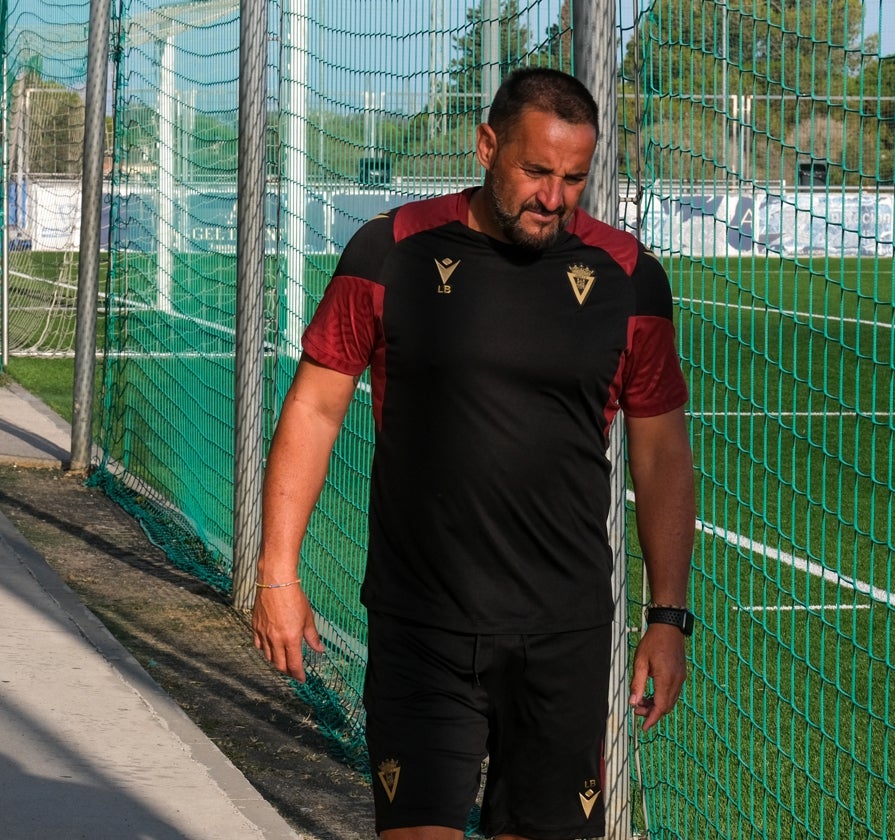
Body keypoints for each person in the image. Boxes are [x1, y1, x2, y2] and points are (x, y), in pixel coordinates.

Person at [251, 67, 695, 840]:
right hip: (423, 624)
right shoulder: (389, 252)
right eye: (534, 171)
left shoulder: (630, 278)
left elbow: (661, 455)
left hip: (565, 635)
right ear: (487, 145)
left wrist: (667, 617)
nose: (552, 198)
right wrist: (277, 572)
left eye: (573, 179)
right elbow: (316, 409)